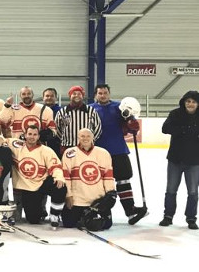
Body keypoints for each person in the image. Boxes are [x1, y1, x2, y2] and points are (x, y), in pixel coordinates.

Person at [91, 84, 147, 225]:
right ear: (96, 95)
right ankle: (102, 212)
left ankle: (131, 211)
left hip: (118, 150)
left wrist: (133, 125)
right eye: (100, 93)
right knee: (99, 184)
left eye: (105, 93)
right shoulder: (90, 109)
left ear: (109, 94)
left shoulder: (120, 107)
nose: (103, 95)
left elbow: (131, 125)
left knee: (124, 181)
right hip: (98, 153)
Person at [0, 124, 67, 227]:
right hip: (28, 189)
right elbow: (1, 139)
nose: (32, 137)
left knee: (60, 186)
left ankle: (55, 214)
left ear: (38, 136)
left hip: (42, 183)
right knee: (33, 219)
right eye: (29, 134)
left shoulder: (46, 150)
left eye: (34, 134)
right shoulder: (17, 145)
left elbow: (56, 166)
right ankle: (40, 211)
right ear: (25, 135)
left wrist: (59, 177)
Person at [61, 129, 116, 230]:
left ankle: (86, 217)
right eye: (82, 136)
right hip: (77, 200)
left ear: (93, 137)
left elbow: (108, 176)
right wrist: (68, 195)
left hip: (97, 200)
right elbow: (66, 176)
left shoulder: (103, 153)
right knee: (68, 223)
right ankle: (83, 217)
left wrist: (110, 193)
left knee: (107, 224)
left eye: (88, 136)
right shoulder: (70, 153)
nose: (85, 138)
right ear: (78, 137)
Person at [160, 90, 199, 229]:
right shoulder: (175, 114)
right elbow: (165, 128)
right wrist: (184, 130)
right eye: (188, 101)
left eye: (193, 102)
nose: (190, 104)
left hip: (194, 161)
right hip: (175, 159)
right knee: (171, 189)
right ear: (184, 102)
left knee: (193, 191)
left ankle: (191, 218)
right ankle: (168, 216)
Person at [54, 85, 101, 154]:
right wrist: (65, 139)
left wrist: (90, 140)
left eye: (79, 94)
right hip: (68, 146)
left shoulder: (91, 111)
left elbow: (98, 128)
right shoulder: (62, 112)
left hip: (86, 146)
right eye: (74, 93)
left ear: (83, 96)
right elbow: (57, 128)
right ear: (70, 96)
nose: (77, 96)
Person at [41, 87, 63, 157]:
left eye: (52, 96)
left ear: (56, 98)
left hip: (57, 144)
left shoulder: (62, 111)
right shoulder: (38, 110)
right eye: (47, 96)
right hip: (41, 144)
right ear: (43, 98)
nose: (49, 98)